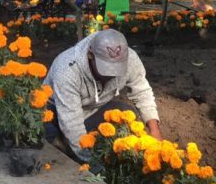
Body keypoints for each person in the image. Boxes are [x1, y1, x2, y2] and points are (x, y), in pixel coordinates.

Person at [44, 29, 162, 161]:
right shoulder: (67, 70)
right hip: (56, 114)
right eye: (105, 69)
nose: (111, 74)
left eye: (116, 69)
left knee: (127, 114)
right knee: (54, 148)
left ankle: (72, 144)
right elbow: (71, 122)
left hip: (91, 110)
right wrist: (93, 162)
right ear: (90, 55)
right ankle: (61, 143)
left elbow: (142, 92)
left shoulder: (130, 59)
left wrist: (155, 132)